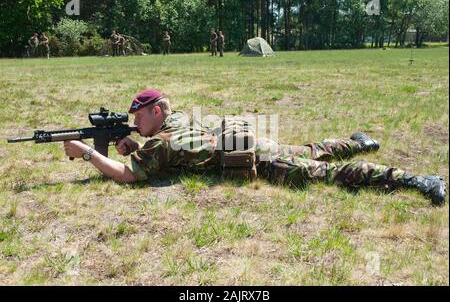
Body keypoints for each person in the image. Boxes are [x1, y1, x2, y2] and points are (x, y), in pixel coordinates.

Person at [63, 89, 446, 206]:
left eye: (141, 116)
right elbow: (171, 142)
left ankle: (416, 181)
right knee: (310, 151)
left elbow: (128, 175)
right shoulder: (176, 120)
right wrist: (134, 140)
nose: (137, 122)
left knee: (325, 173)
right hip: (251, 140)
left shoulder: (160, 142)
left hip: (255, 162)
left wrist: (87, 152)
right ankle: (357, 142)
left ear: (158, 111)